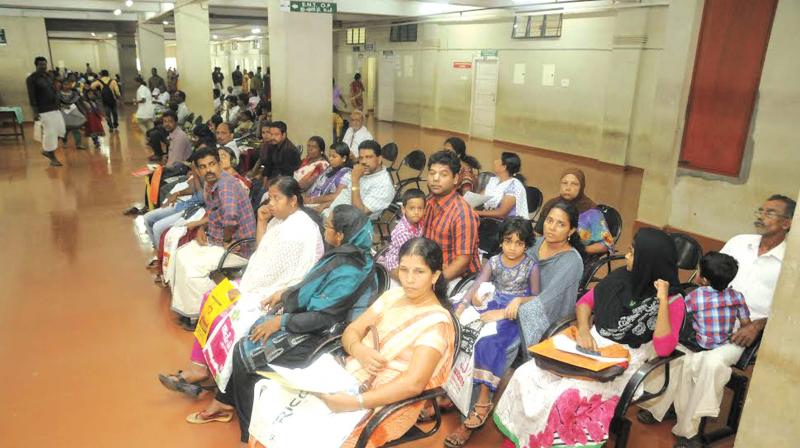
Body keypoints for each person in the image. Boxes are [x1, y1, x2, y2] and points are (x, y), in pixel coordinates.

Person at [186, 205, 377, 444]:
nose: (324, 230)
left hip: (322, 337)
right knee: (246, 333)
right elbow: (315, 288)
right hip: (309, 320)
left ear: (340, 235)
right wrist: (285, 293)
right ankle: (225, 403)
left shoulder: (350, 269)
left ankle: (248, 433)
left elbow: (325, 316)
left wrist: (281, 321)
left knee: (246, 355)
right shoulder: (345, 255)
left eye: (328, 227)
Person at [494, 227, 684, 448]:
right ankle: (520, 440)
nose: (627, 256)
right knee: (526, 374)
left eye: (633, 253)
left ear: (649, 261)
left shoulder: (673, 301)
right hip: (589, 345)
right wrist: (584, 331)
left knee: (567, 395)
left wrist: (661, 301)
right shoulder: (621, 278)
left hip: (624, 362)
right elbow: (585, 303)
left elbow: (663, 349)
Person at [638, 195, 794, 448]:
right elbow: (707, 273)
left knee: (710, 363)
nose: (762, 216)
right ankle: (661, 405)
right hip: (707, 316)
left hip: (746, 329)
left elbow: (787, 312)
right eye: (761, 210)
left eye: (770, 213)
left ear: (787, 223)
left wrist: (757, 325)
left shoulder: (790, 263)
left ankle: (691, 430)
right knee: (672, 344)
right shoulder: (739, 242)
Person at [159, 176, 325, 397]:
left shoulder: (298, 231)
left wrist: (244, 290)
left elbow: (274, 273)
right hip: (260, 281)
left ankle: (212, 379)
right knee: (210, 296)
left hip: (278, 293)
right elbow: (261, 251)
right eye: (270, 198)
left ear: (293, 200)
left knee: (224, 311)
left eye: (276, 199)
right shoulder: (282, 220)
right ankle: (199, 367)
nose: (271, 204)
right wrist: (262, 222)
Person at [446, 217, 541, 447]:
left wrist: (518, 300)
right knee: (457, 329)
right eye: (508, 241)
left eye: (519, 243)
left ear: (527, 245)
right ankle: (450, 391)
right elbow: (477, 284)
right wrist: (461, 306)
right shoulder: (495, 261)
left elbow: (537, 298)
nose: (513, 247)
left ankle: (482, 401)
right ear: (501, 241)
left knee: (489, 345)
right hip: (491, 303)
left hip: (512, 314)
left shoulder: (531, 266)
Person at [170, 147, 256, 320]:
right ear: (197, 170)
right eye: (202, 167)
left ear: (219, 164)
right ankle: (186, 307)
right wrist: (202, 228)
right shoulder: (210, 185)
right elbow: (213, 213)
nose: (208, 170)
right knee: (181, 254)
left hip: (237, 247)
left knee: (194, 268)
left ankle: (201, 315)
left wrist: (226, 240)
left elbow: (231, 218)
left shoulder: (225, 185)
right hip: (216, 239)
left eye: (211, 164)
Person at [423, 150, 480, 285]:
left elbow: (462, 262)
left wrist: (433, 283)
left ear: (455, 179)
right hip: (432, 270)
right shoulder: (429, 201)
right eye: (432, 173)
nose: (435, 178)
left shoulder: (463, 214)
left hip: (457, 279)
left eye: (443, 174)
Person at [535, 168, 614, 258]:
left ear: (582, 187)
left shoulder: (591, 212)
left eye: (574, 184)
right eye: (564, 183)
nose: (568, 188)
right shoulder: (551, 205)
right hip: (546, 252)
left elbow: (606, 244)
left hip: (577, 257)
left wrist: (578, 250)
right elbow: (538, 233)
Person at [683, 252, 750, 350]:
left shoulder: (695, 296)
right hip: (725, 344)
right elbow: (746, 323)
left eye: (698, 270)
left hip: (702, 344)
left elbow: (681, 314)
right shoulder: (737, 296)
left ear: (704, 280)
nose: (696, 272)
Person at [325, 140, 394, 219]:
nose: (364, 161)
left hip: (346, 224)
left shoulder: (384, 185)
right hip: (331, 212)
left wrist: (355, 181)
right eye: (361, 158)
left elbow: (358, 212)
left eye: (368, 157)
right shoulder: (364, 172)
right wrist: (323, 206)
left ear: (379, 159)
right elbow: (344, 195)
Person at [376, 188, 426, 278]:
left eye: (420, 208)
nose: (416, 212)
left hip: (412, 254)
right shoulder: (403, 232)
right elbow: (407, 256)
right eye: (412, 208)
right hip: (397, 262)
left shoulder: (420, 222)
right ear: (403, 209)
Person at [26, 56, 65, 167]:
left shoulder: (48, 76)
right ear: (36, 65)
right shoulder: (32, 79)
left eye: (45, 64)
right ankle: (51, 156)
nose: (43, 66)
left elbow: (54, 90)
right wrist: (35, 112)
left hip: (55, 108)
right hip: (43, 110)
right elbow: (31, 96)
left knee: (61, 130)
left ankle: (47, 150)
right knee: (50, 133)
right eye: (41, 64)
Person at [476, 152, 528, 219]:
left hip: (507, 224)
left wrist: (476, 212)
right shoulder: (494, 181)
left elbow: (501, 213)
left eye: (498, 160)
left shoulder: (514, 186)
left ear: (504, 167)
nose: (495, 161)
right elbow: (479, 198)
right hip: (490, 220)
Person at [305, 142, 353, 211]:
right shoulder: (329, 169)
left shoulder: (347, 174)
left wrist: (312, 200)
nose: (330, 159)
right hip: (314, 202)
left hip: (329, 206)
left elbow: (337, 196)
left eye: (334, 156)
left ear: (344, 158)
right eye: (329, 156)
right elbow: (315, 185)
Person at [58, 76, 87, 150]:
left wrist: (84, 111)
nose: (67, 86)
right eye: (65, 84)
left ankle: (79, 143)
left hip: (73, 111)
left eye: (68, 84)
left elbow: (78, 103)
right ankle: (64, 139)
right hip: (63, 113)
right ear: (62, 85)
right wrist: (62, 106)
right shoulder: (58, 94)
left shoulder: (74, 93)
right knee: (65, 128)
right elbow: (56, 103)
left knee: (76, 127)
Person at [162, 110, 193, 176]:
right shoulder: (173, 133)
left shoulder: (179, 137)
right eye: (165, 121)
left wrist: (163, 169)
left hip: (180, 172)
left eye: (170, 121)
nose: (167, 124)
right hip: (176, 168)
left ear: (176, 122)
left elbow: (175, 162)